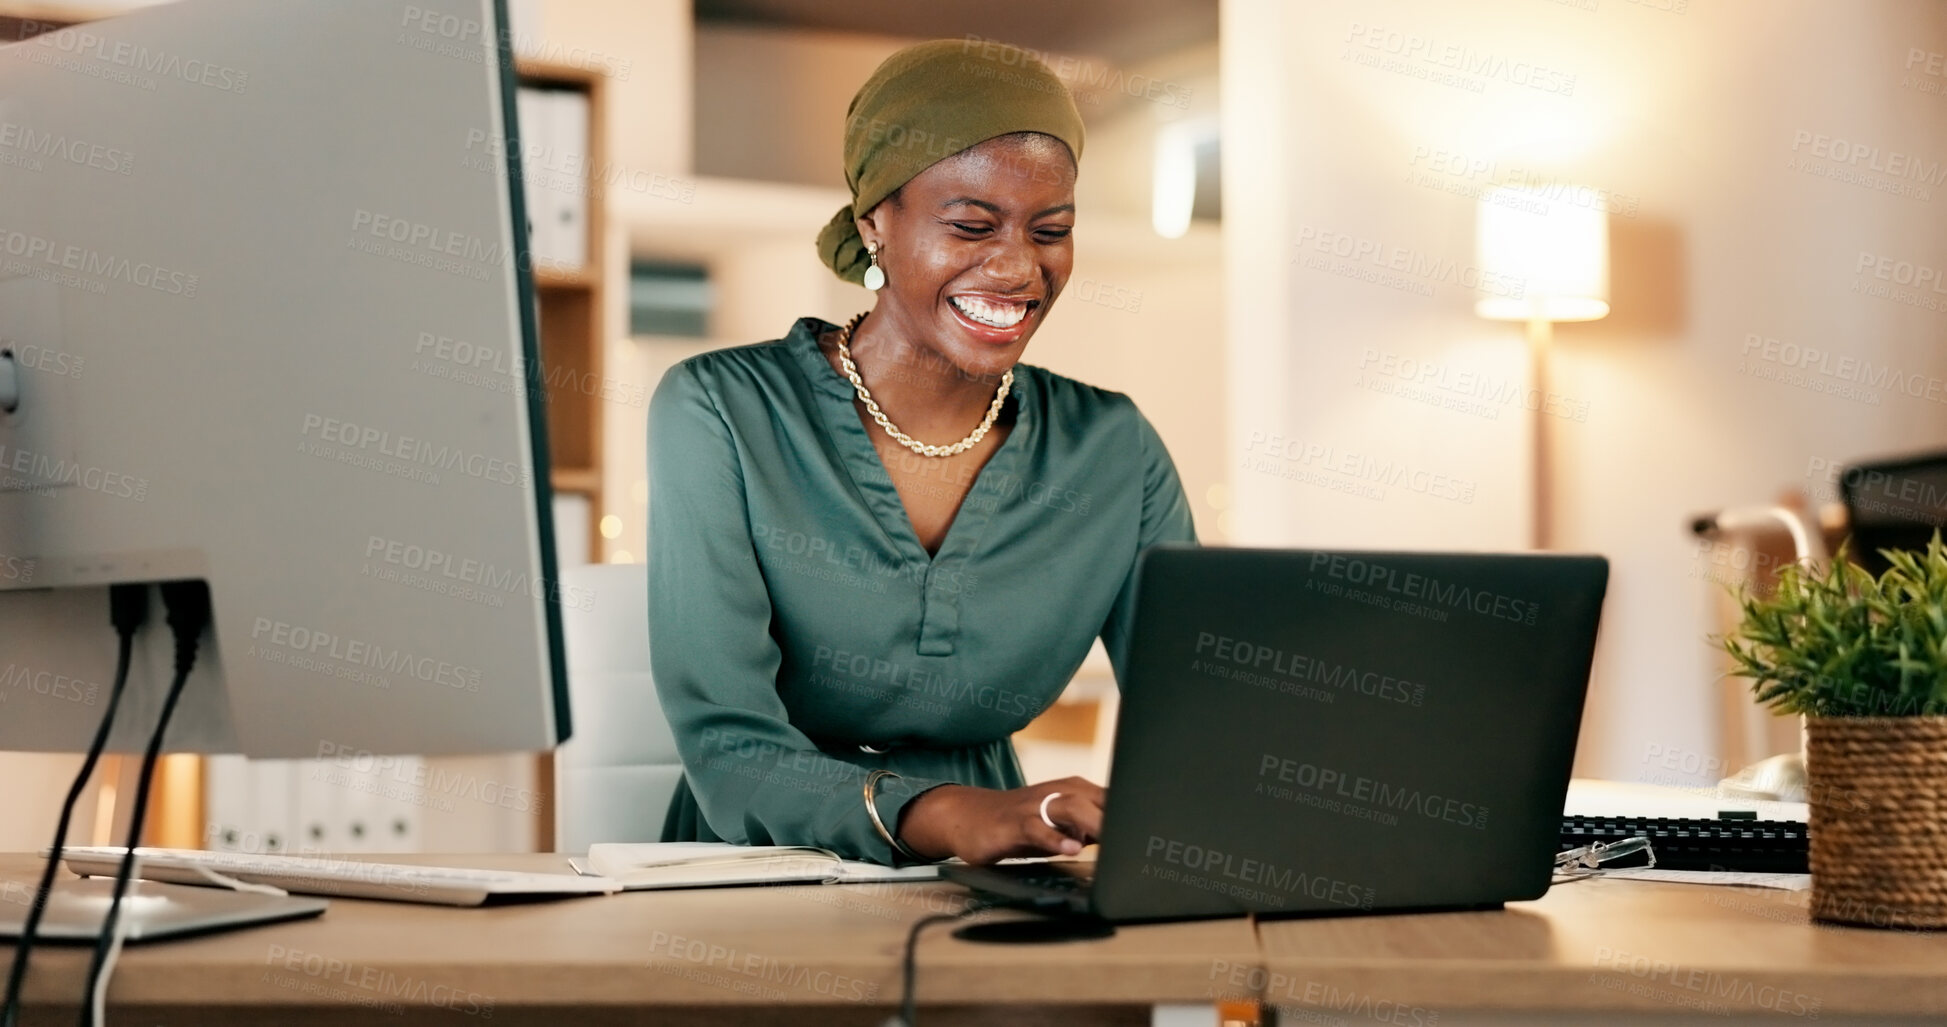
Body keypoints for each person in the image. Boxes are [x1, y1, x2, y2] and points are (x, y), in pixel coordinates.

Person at [647, 38, 1196, 865]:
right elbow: (728, 748)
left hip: (997, 871)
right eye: (971, 224)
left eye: (1051, 230)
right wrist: (949, 814)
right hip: (750, 872)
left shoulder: (1112, 449)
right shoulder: (721, 409)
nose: (1017, 267)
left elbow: (1201, 720)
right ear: (875, 222)